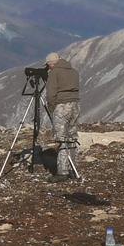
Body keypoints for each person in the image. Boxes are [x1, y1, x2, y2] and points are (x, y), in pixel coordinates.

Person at [44, 52, 80, 182]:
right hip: (75, 106)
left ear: (51, 64)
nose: (48, 68)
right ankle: (73, 168)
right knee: (72, 137)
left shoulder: (54, 73)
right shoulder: (74, 71)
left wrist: (52, 108)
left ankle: (62, 172)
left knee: (62, 139)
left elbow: (50, 94)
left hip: (62, 106)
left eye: (48, 65)